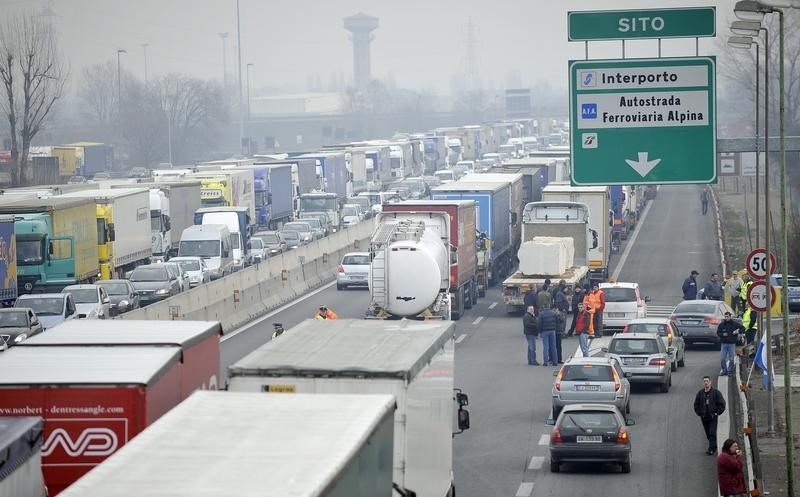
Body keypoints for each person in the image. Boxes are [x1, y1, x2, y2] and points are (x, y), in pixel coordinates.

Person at [693, 376, 726, 455]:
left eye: (707, 381)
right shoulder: (700, 393)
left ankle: (711, 449)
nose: (706, 382)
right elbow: (696, 404)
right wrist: (699, 413)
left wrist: (717, 413)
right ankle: (714, 446)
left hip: (713, 417)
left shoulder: (716, 393)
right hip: (704, 417)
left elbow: (722, 404)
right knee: (708, 434)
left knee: (712, 433)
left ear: (710, 382)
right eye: (704, 381)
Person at [717, 311, 745, 375]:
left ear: (730, 317)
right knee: (722, 359)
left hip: (732, 344)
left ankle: (730, 371)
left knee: (731, 359)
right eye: (725, 316)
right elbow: (718, 333)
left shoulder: (735, 324)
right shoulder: (722, 324)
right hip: (724, 344)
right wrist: (722, 334)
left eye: (727, 316)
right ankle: (724, 371)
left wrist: (737, 332)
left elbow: (743, 328)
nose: (726, 318)